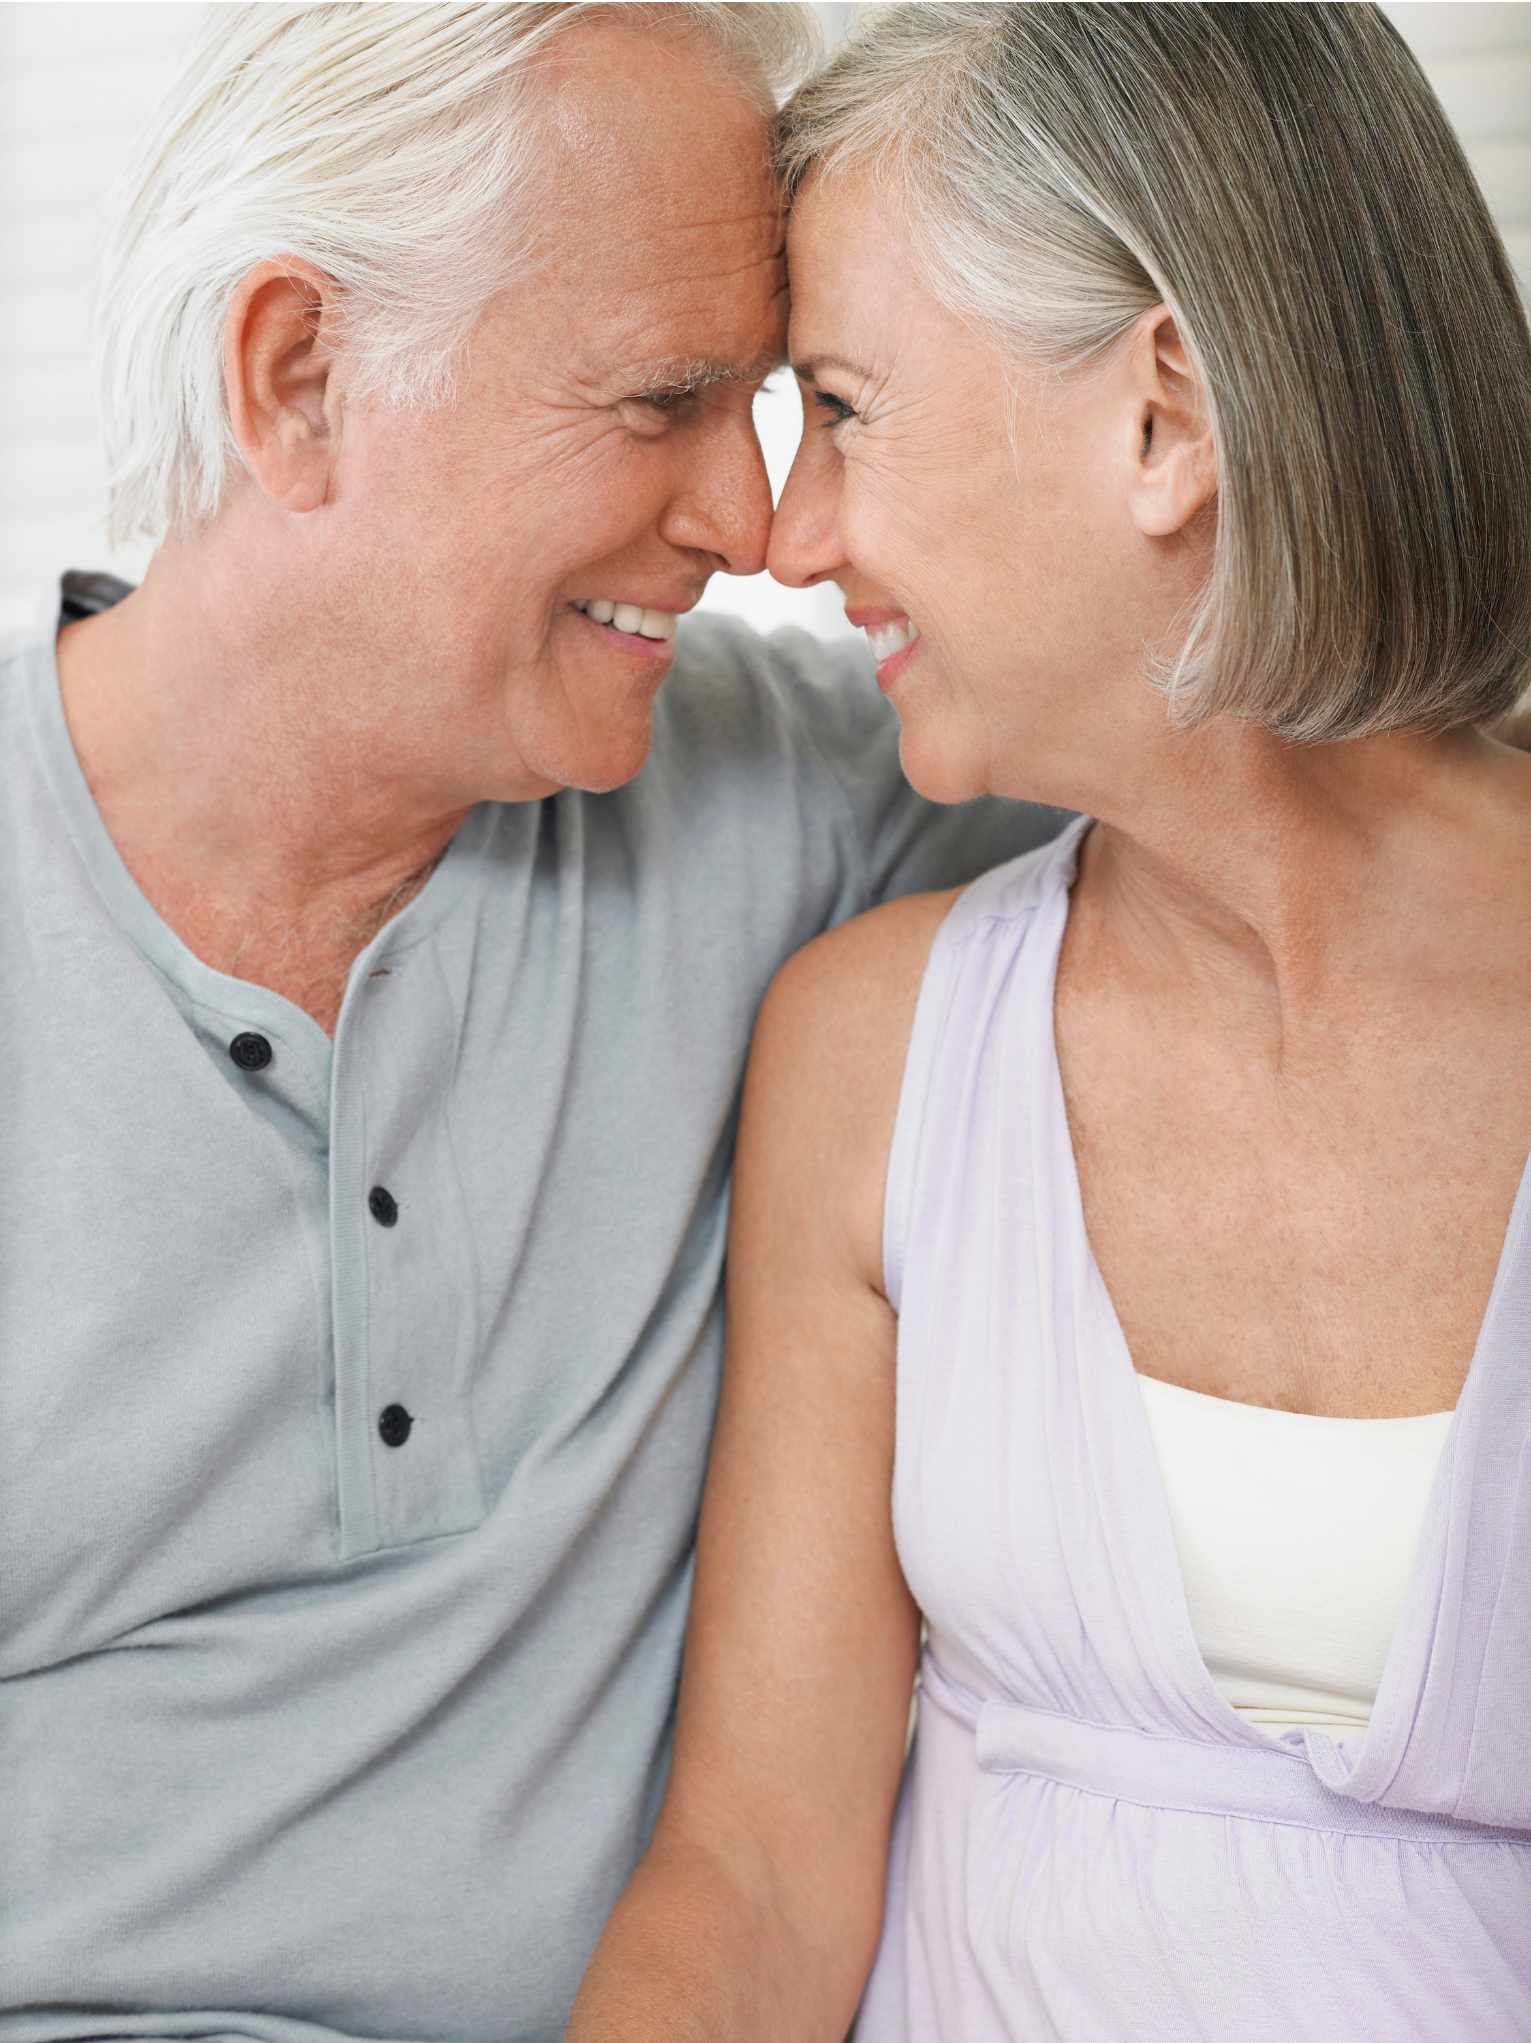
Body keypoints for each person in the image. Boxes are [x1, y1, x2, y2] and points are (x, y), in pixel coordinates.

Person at [0, 6, 1065, 2039]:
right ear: (298, 378)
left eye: (769, 401)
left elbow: (1302, 756)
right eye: (667, 400)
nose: (754, 523)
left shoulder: (804, 804)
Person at [567, 3, 1531, 2037]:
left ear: (1166, 418)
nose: (790, 535)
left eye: (845, 406)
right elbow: (749, 1884)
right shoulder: (870, 1052)